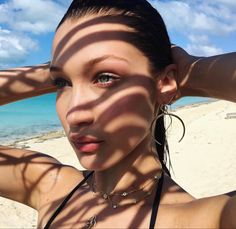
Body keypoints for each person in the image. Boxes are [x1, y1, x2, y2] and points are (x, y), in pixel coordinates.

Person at [0, 0, 235, 228]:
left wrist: (190, 71)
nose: (74, 115)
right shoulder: (52, 187)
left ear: (163, 81)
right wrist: (55, 68)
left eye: (105, 77)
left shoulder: (203, 219)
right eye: (62, 83)